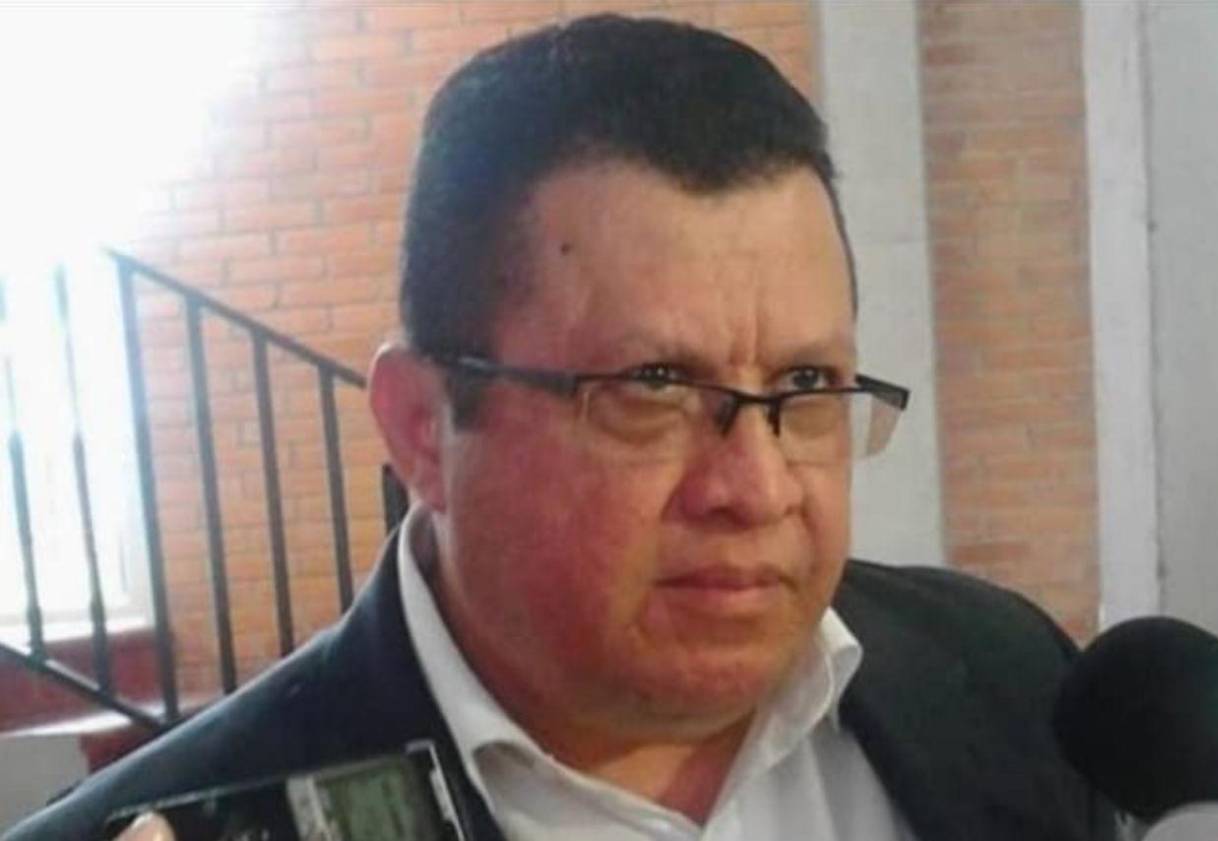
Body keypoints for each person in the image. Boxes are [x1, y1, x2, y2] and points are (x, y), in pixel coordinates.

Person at [5, 15, 1111, 841]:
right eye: (654, 386)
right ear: (423, 428)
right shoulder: (186, 823)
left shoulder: (1003, 675)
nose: (757, 486)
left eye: (808, 382)